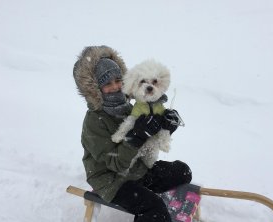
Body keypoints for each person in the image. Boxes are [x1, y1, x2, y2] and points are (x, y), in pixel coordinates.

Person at [73, 45, 192, 222]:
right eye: (107, 83)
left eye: (117, 80)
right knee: (155, 210)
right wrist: (136, 137)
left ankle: (148, 192)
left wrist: (166, 126)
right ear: (95, 89)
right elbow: (116, 164)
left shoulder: (130, 107)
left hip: (137, 170)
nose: (115, 86)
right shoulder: (93, 122)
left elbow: (149, 134)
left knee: (182, 172)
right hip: (112, 181)